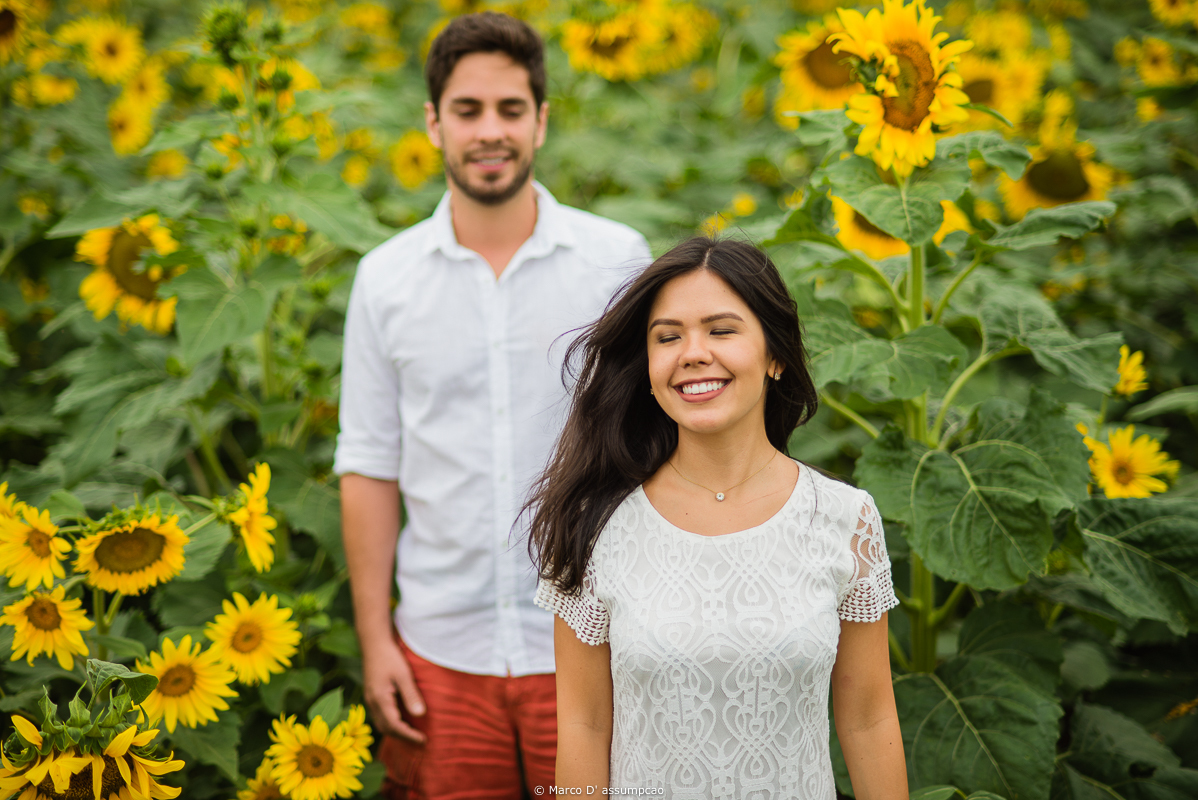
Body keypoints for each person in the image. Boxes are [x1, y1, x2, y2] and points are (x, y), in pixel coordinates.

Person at [333, 11, 651, 799]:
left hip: (590, 640)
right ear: (434, 123)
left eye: (511, 110)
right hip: (439, 650)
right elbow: (370, 463)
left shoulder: (616, 260)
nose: (490, 131)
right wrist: (377, 641)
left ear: (541, 122)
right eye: (468, 110)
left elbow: (657, 444)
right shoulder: (386, 278)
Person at [529, 237, 907, 797]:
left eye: (722, 330)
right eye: (668, 337)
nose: (693, 352)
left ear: (775, 355)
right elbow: (584, 728)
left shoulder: (846, 519)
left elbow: (869, 720)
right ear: (650, 367)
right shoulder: (596, 524)